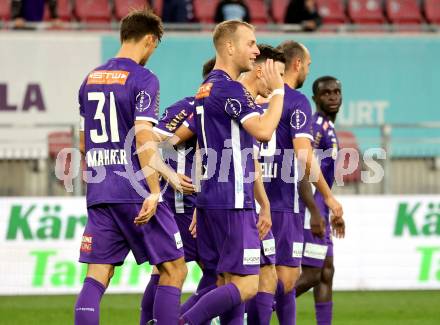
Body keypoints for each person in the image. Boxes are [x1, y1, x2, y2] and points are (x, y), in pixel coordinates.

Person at [74, 10, 193, 325]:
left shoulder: (91, 79)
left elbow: (84, 144)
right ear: (150, 40)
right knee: (174, 268)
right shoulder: (144, 78)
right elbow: (143, 139)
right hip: (136, 190)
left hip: (100, 190)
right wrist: (156, 188)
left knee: (98, 274)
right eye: (154, 47)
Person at [179, 20, 286, 324]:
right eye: (250, 43)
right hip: (232, 203)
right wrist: (279, 92)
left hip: (212, 200)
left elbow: (203, 150)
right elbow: (264, 130)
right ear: (229, 47)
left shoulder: (205, 88)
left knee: (225, 284)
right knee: (247, 284)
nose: (255, 50)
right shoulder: (229, 89)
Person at [258, 40, 343, 325]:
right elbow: (304, 159)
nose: (307, 69)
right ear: (297, 64)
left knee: (269, 276)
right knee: (288, 277)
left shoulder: (259, 98)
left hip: (259, 199)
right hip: (286, 203)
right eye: (307, 65)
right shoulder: (296, 103)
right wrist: (323, 202)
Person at [295, 76, 346, 325]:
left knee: (326, 272)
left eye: (337, 92)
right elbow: (303, 171)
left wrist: (330, 208)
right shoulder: (314, 127)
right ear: (315, 99)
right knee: (314, 274)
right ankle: (255, 308)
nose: (333, 97)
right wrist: (315, 211)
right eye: (327, 93)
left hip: (320, 210)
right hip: (308, 211)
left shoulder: (327, 126)